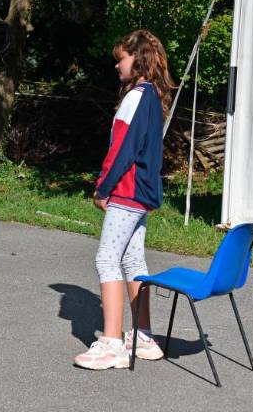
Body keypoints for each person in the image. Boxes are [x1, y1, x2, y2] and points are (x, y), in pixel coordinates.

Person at [74, 30, 175, 370]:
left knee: (106, 260)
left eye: (122, 57)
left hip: (127, 192)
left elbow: (122, 150)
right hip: (142, 193)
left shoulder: (136, 96)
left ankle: (113, 342)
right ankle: (143, 337)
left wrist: (103, 187)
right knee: (133, 262)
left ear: (139, 59)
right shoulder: (152, 97)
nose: (118, 63)